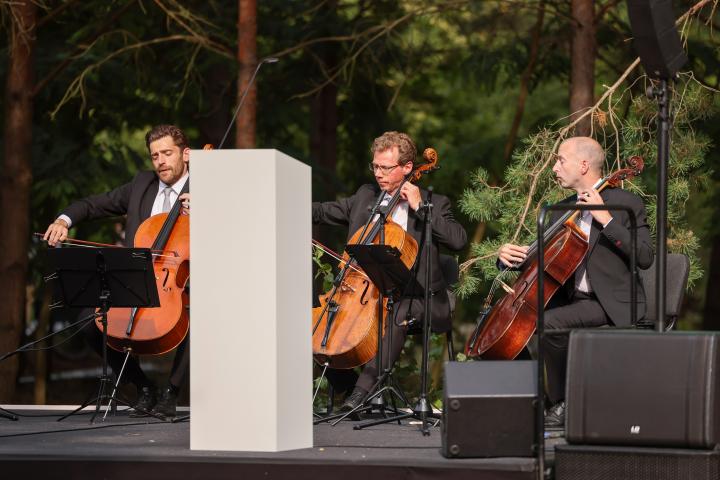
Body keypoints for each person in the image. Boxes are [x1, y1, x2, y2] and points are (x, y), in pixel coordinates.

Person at [497, 136, 654, 427]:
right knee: (514, 325)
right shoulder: (564, 207)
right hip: (574, 301)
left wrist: (605, 219)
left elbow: (644, 256)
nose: (554, 167)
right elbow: (542, 259)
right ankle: (540, 403)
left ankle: (562, 404)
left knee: (545, 323)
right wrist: (507, 257)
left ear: (583, 165)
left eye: (560, 160)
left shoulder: (626, 203)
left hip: (610, 302)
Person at [43, 124, 192, 419]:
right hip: (139, 279)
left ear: (185, 154)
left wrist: (209, 210)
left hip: (183, 283)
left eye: (167, 153)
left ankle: (170, 393)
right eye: (155, 156)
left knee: (201, 319)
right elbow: (94, 204)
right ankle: (143, 386)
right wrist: (64, 220)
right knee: (89, 321)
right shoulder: (141, 186)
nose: (161, 161)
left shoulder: (207, 188)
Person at [312, 131, 467, 412]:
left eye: (386, 168)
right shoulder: (366, 197)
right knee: (318, 322)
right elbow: (323, 211)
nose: (379, 174)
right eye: (375, 166)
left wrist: (422, 209)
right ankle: (349, 386)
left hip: (423, 299)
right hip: (365, 294)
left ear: (408, 168)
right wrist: (280, 204)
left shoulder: (434, 202)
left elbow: (458, 240)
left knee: (400, 311)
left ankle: (359, 395)